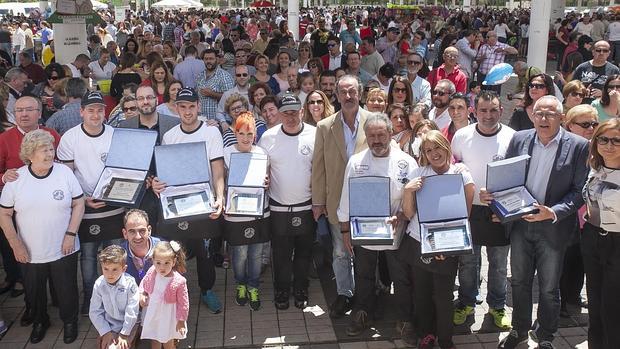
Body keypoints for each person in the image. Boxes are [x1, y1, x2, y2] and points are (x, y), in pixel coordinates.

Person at [494, 96, 589, 349]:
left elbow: (580, 191)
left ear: (561, 118)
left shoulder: (579, 146)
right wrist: (493, 197)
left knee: (548, 287)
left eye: (550, 114)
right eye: (539, 113)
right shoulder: (520, 139)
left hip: (553, 227)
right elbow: (507, 178)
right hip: (521, 225)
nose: (543, 119)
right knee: (519, 282)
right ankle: (519, 330)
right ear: (532, 116)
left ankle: (546, 336)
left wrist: (553, 212)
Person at [337, 113, 418, 341]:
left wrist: (401, 216)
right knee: (363, 275)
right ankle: (363, 313)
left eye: (381, 135)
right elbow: (346, 199)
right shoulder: (356, 162)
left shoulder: (406, 162)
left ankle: (405, 320)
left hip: (396, 232)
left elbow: (412, 201)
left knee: (400, 277)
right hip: (364, 231)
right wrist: (345, 231)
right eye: (371, 136)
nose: (376, 140)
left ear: (390, 134)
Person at [0, 129, 84, 344]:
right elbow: (5, 214)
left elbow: (78, 203)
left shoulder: (64, 173)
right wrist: (15, 244)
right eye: (43, 150)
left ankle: (69, 321)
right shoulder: (16, 179)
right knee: (34, 290)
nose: (49, 154)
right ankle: (40, 321)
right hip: (30, 250)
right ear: (29, 154)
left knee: (67, 288)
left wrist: (70, 234)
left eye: (51, 149)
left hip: (64, 246)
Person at [401, 130, 475, 349]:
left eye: (437, 147)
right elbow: (408, 213)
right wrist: (407, 191)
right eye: (428, 150)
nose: (434, 154)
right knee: (421, 293)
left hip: (447, 243)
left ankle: (445, 340)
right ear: (423, 154)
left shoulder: (461, 173)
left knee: (443, 296)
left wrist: (446, 244)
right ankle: (426, 335)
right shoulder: (418, 173)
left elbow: (465, 215)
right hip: (418, 241)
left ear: (447, 147)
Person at [155, 87, 224, 314]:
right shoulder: (170, 136)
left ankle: (207, 291)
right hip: (178, 203)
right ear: (176, 108)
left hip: (203, 202)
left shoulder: (211, 133)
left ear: (198, 107)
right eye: (182, 107)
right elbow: (165, 173)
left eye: (191, 106)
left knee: (204, 251)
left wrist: (219, 197)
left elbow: (217, 169)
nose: (187, 111)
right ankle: (176, 293)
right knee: (176, 250)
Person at [451, 91, 516, 331]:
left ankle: (497, 306)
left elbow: (519, 176)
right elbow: (452, 169)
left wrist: (505, 203)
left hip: (499, 211)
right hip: (469, 209)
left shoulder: (512, 137)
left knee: (499, 264)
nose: (488, 115)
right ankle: (466, 302)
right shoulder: (461, 136)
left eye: (493, 110)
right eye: (483, 110)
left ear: (501, 110)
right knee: (468, 262)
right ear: (474, 111)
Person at [57, 91, 126, 316]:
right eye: (90, 110)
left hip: (113, 204)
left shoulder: (115, 135)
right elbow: (67, 175)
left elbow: (122, 171)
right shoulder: (70, 138)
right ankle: (89, 296)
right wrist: (83, 199)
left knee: (114, 253)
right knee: (87, 256)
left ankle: (116, 296)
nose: (95, 115)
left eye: (99, 110)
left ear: (105, 112)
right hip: (84, 206)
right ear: (81, 112)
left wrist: (111, 194)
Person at [312, 75, 371, 317]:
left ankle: (367, 294)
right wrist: (318, 201)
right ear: (336, 95)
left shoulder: (374, 121)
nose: (348, 96)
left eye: (352, 91)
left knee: (367, 252)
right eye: (343, 92)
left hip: (368, 200)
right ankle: (345, 293)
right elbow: (319, 166)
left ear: (360, 93)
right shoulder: (325, 126)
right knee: (340, 251)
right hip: (336, 200)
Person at [258, 92, 317, 310]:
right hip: (278, 205)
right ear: (279, 114)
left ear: (302, 111)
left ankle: (301, 288)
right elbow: (260, 169)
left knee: (304, 252)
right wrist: (261, 179)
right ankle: (282, 289)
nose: (290, 117)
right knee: (281, 254)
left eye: (294, 112)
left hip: (307, 205)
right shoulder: (268, 138)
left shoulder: (315, 134)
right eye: (286, 113)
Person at [223, 113, 270, 311]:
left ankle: (253, 286)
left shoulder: (262, 153)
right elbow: (220, 181)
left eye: (249, 134)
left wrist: (267, 183)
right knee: (240, 254)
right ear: (235, 133)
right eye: (241, 133)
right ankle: (240, 283)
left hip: (259, 212)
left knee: (256, 254)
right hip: (235, 214)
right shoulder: (226, 152)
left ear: (255, 135)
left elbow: (267, 181)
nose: (245, 138)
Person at [581, 118, 620, 348]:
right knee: (595, 305)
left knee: (612, 309)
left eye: (616, 140)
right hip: (593, 238)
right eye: (603, 139)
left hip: (618, 244)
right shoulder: (596, 168)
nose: (608, 145)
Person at [138, 241, 190, 349]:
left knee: (168, 341)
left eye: (167, 263)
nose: (162, 267)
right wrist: (142, 294)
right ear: (153, 260)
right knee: (154, 338)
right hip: (153, 312)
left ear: (174, 261)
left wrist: (181, 321)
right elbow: (144, 283)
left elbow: (183, 303)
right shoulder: (152, 271)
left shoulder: (179, 281)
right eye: (158, 263)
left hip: (168, 315)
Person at [89, 245, 140, 349]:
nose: (109, 274)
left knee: (122, 347)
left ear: (124, 269)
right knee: (107, 346)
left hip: (129, 324)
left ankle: (134, 336)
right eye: (106, 269)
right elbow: (95, 311)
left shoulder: (130, 284)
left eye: (115, 269)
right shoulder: (99, 284)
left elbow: (132, 310)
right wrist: (105, 331)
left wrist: (124, 334)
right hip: (110, 325)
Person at [196, 49, 235, 126]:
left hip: (219, 122)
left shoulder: (224, 76)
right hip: (202, 121)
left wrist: (212, 94)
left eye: (211, 59)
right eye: (206, 59)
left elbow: (231, 99)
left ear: (217, 59)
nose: (208, 61)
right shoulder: (200, 76)